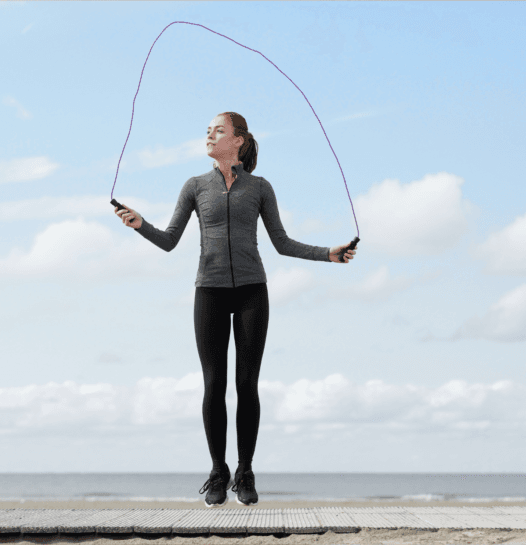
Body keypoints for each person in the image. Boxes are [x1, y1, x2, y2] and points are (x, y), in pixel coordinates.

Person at [114, 112, 356, 508]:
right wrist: (141, 224)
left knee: (247, 384)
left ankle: (244, 471)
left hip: (250, 292)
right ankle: (217, 472)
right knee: (214, 384)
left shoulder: (259, 187)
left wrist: (327, 255)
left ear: (238, 140)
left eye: (218, 130)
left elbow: (281, 242)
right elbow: (170, 240)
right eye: (207, 130)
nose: (209, 135)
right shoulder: (195, 186)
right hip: (208, 290)